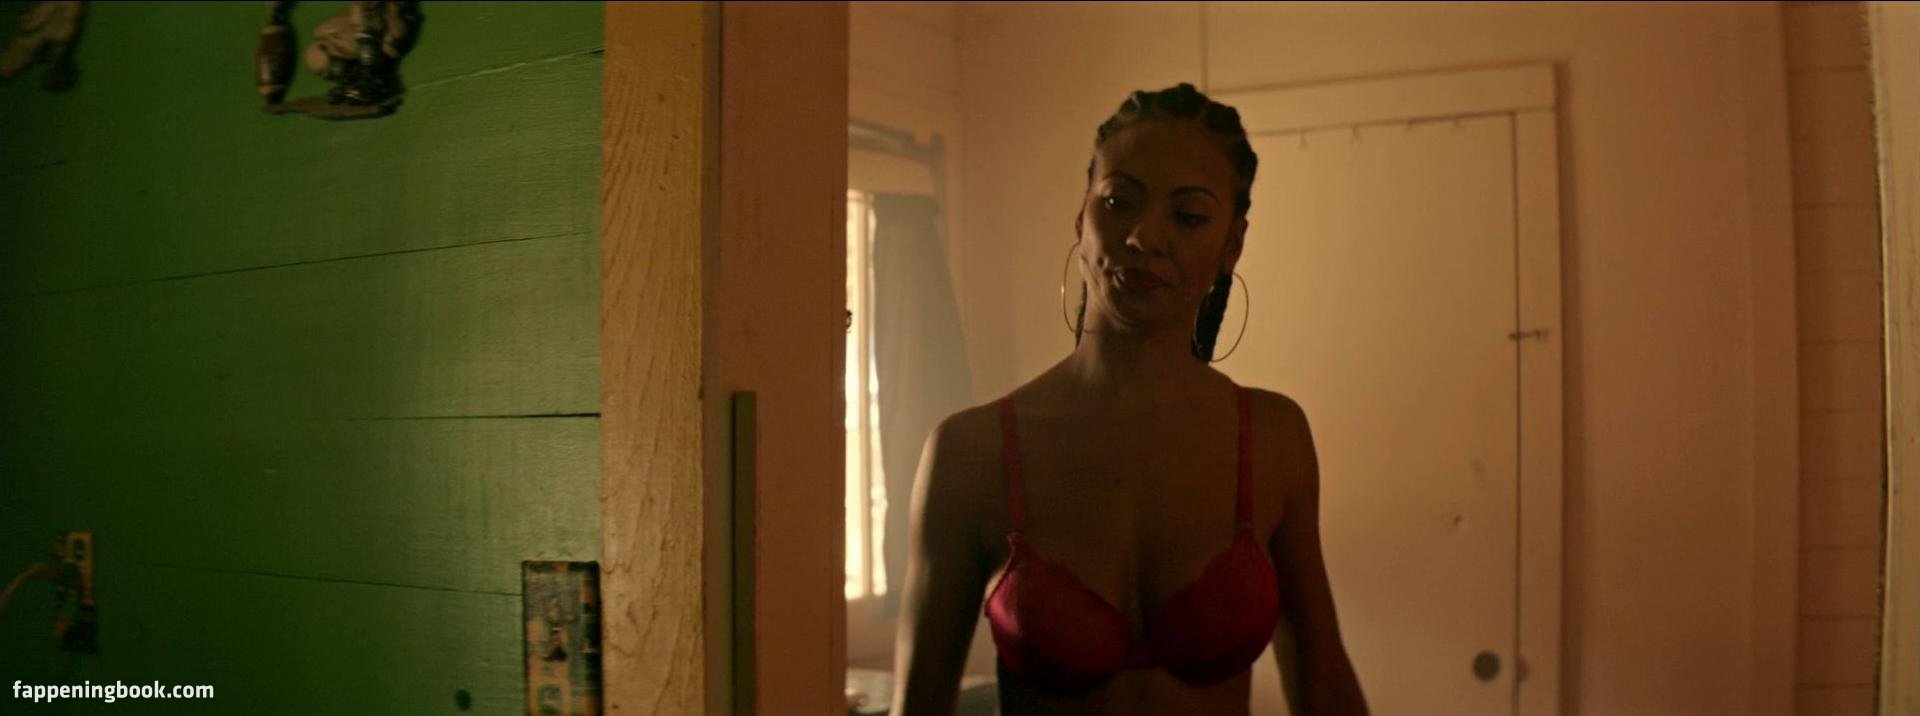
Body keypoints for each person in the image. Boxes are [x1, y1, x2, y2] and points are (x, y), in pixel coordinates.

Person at [889, 83, 1369, 715]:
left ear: (1232, 244)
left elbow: (1325, 687)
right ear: (1080, 216)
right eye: (1118, 202)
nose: (1144, 237)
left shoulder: (1272, 437)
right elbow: (917, 706)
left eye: (1188, 216)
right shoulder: (973, 451)